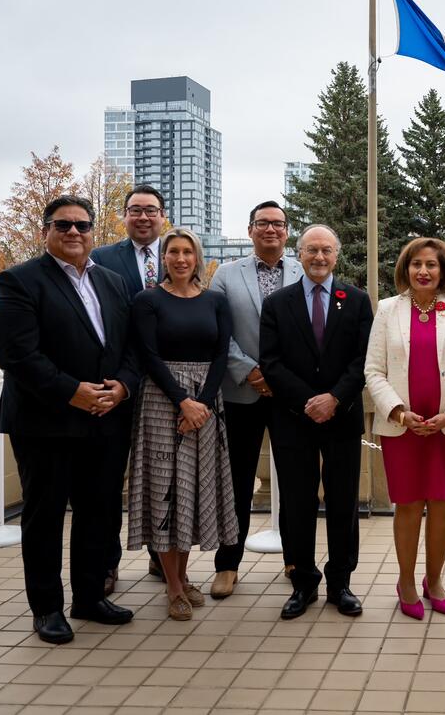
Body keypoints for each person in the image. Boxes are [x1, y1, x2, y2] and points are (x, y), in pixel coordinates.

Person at [0, 195, 138, 644]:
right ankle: (47, 608)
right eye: (63, 225)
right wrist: (71, 392)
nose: (74, 232)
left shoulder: (111, 281)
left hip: (106, 418)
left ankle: (90, 597)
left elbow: (130, 345)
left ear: (93, 232)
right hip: (45, 421)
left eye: (82, 225)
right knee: (45, 515)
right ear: (45, 232)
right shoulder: (19, 281)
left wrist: (123, 386)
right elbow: (16, 353)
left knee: (99, 511)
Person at [366, 238, 445, 619]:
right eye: (416, 263)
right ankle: (405, 581)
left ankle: (434, 581)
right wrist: (399, 413)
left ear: (443, 270)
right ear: (406, 268)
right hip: (405, 428)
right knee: (408, 503)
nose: (423, 271)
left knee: (443, 504)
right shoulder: (387, 310)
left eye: (431, 264)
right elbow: (374, 371)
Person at [259, 225, 373, 619]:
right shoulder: (277, 303)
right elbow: (270, 362)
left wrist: (335, 398)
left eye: (326, 250)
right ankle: (303, 581)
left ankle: (340, 583)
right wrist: (309, 400)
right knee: (297, 503)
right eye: (311, 250)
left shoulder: (356, 301)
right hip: (293, 418)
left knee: (343, 503)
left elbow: (363, 360)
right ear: (299, 254)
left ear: (336, 256)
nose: (319, 257)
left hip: (342, 418)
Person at [127, 228, 236, 621]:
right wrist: (182, 402)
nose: (180, 258)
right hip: (162, 401)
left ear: (197, 257)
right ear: (163, 258)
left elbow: (222, 353)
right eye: (172, 251)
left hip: (206, 403)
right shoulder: (147, 300)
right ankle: (172, 586)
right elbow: (149, 357)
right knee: (164, 490)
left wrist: (202, 404)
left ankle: (185, 574)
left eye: (187, 252)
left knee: (193, 489)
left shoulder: (216, 301)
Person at [206, 201, 303, 598]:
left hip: (290, 396)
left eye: (278, 224)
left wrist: (283, 378)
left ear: (287, 231)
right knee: (238, 483)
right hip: (241, 392)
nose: (271, 230)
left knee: (297, 483)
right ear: (250, 230)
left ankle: (297, 560)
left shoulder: (305, 270)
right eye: (262, 223)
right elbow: (216, 330)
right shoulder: (226, 275)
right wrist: (248, 370)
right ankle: (228, 564)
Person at [90, 184, 167, 592]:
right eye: (135, 210)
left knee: (162, 475)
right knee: (108, 478)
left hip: (167, 384)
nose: (143, 217)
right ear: (123, 216)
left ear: (162, 215)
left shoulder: (179, 254)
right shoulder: (101, 258)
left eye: (151, 210)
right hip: (117, 380)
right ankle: (106, 563)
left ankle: (162, 556)